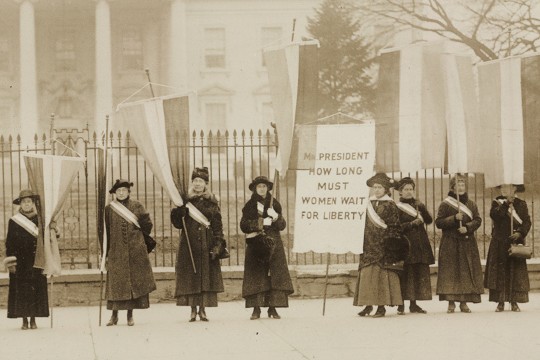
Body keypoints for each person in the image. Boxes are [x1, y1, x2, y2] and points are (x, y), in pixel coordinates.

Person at [171, 167, 226, 322]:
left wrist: (218, 244)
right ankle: (192, 310)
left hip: (206, 243)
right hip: (189, 243)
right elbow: (177, 224)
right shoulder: (184, 201)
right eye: (195, 181)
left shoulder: (212, 202)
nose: (197, 184)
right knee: (191, 277)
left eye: (200, 181)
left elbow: (217, 225)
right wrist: (178, 212)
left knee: (204, 277)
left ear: (206, 184)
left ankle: (202, 310)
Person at [240, 176, 294, 320]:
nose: (262, 189)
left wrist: (276, 217)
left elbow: (282, 226)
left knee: (274, 276)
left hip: (273, 243)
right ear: (255, 189)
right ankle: (256, 309)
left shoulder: (274, 204)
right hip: (256, 244)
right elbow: (244, 225)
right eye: (259, 187)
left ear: (268, 188)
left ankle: (273, 308)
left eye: (264, 186)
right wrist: (260, 222)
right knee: (256, 276)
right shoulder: (249, 205)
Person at [104, 179, 156, 326]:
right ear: (114, 193)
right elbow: (105, 231)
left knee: (132, 285)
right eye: (118, 191)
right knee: (116, 284)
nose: (121, 193)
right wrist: (106, 252)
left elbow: (147, 224)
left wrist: (138, 237)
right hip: (116, 251)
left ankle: (129, 316)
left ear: (128, 192)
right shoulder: (109, 209)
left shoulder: (137, 206)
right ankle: (114, 316)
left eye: (124, 190)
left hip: (135, 250)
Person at [353, 173, 406, 318]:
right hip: (368, 245)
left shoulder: (390, 205)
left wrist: (389, 243)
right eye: (374, 187)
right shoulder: (368, 203)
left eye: (379, 187)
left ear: (386, 190)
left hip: (382, 246)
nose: (376, 190)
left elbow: (395, 226)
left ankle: (381, 307)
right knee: (367, 276)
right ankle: (367, 305)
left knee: (381, 277)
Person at [435, 174, 483, 313]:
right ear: (453, 187)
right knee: (451, 272)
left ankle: (463, 302)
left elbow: (478, 220)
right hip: (450, 242)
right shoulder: (445, 204)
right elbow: (439, 222)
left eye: (463, 185)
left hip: (466, 241)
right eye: (458, 185)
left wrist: (467, 227)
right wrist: (454, 218)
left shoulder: (471, 204)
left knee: (465, 271)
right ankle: (451, 303)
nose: (461, 187)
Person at [4, 189, 49, 330]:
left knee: (35, 288)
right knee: (22, 290)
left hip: (36, 260)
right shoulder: (14, 221)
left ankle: (34, 319)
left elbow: (47, 239)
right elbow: (9, 242)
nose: (27, 204)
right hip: (21, 261)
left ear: (33, 203)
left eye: (29, 201)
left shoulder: (40, 220)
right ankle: (24, 320)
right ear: (20, 204)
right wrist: (12, 262)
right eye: (24, 202)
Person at [484, 184, 531, 312]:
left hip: (515, 242)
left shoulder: (521, 204)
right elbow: (496, 216)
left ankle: (514, 301)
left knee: (515, 272)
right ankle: (500, 302)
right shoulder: (496, 203)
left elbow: (527, 221)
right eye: (502, 188)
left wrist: (520, 233)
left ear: (514, 189)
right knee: (500, 272)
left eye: (507, 187)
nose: (503, 190)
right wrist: (506, 204)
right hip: (499, 242)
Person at [394, 177, 434, 314]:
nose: (409, 192)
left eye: (411, 189)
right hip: (405, 244)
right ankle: (401, 305)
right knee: (406, 274)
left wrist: (422, 207)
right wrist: (411, 224)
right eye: (406, 189)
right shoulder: (397, 207)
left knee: (416, 273)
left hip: (419, 245)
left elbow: (429, 221)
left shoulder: (418, 206)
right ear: (400, 192)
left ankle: (413, 304)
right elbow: (395, 227)